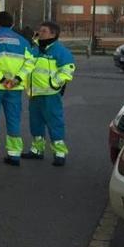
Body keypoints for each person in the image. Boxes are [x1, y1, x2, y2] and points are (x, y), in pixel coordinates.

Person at [0, 11, 36, 167]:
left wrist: (2, 79)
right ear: (12, 24)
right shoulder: (23, 42)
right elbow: (30, 64)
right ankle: (14, 155)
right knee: (14, 120)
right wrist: (16, 80)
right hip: (14, 88)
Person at [23, 21, 75, 166]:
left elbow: (67, 70)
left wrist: (54, 83)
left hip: (50, 94)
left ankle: (59, 153)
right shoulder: (36, 48)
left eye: (44, 31)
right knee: (36, 123)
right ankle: (37, 150)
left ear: (53, 34)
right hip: (34, 93)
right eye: (39, 31)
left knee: (54, 123)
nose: (40, 33)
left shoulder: (60, 51)